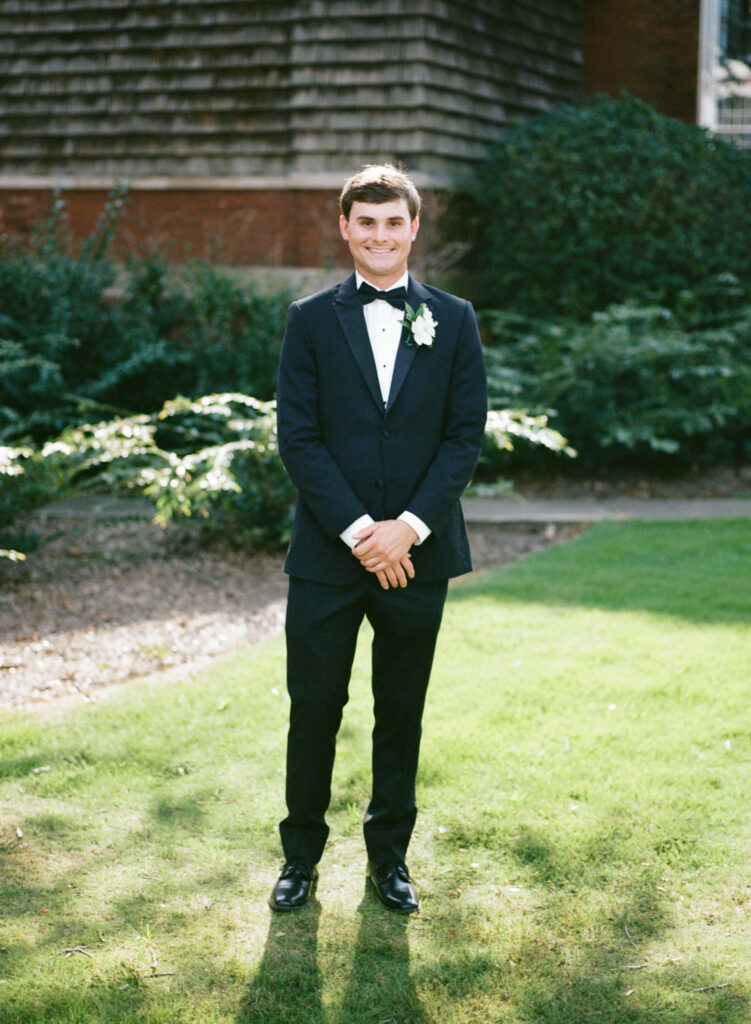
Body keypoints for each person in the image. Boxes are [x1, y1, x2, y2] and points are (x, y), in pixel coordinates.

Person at [270, 164, 487, 914]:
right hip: (330, 557)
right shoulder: (308, 319)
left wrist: (407, 531)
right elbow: (297, 439)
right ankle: (299, 857)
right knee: (314, 706)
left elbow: (463, 438)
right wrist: (365, 534)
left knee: (401, 709)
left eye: (393, 222)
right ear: (345, 228)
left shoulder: (454, 319)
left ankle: (389, 859)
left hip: (417, 556)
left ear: (413, 229)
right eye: (365, 222)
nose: (379, 235)